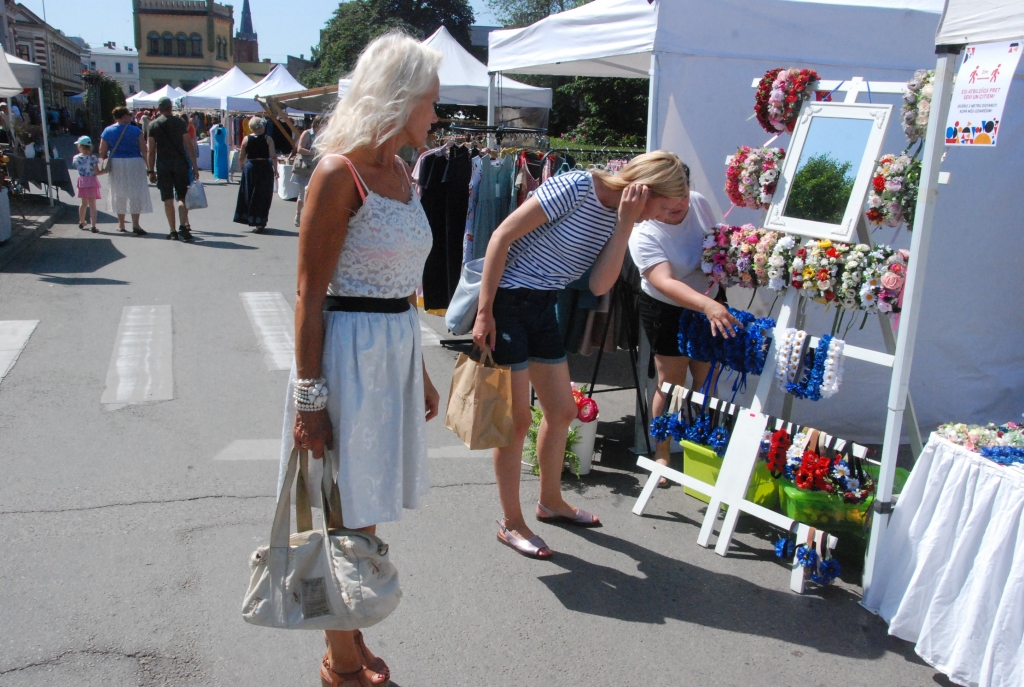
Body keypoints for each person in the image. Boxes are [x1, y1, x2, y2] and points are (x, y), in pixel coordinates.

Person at [285, 30, 441, 687]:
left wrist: (422, 370)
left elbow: (402, 285)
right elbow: (309, 294)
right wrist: (310, 399)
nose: (437, 113)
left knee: (364, 508)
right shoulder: (337, 172)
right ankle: (339, 659)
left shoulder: (403, 171)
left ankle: (349, 632)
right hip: (346, 358)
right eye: (433, 100)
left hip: (391, 354)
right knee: (338, 513)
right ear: (402, 98)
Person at [472, 151, 693, 559]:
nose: (660, 217)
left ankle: (550, 502)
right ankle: (511, 522)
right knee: (516, 421)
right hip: (507, 302)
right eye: (662, 207)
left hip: (541, 306)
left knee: (561, 412)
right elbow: (501, 236)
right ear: (645, 188)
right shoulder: (575, 187)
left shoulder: (622, 216)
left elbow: (598, 285)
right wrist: (485, 311)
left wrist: (625, 223)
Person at [628, 172, 739, 486]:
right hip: (666, 307)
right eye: (668, 198)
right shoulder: (642, 232)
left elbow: (716, 245)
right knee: (672, 383)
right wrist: (706, 305)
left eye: (683, 193)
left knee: (707, 378)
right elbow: (664, 281)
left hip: (710, 301)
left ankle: (704, 444)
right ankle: (661, 453)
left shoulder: (699, 203)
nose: (678, 203)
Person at [146, 97, 199, 241]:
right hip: (180, 164)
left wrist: (150, 170)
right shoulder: (180, 122)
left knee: (167, 198)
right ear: (171, 107)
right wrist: (195, 166)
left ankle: (173, 230)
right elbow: (188, 145)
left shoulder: (153, 125)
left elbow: (151, 150)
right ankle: (183, 225)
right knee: (182, 197)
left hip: (163, 165)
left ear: (159, 108)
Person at [99, 106, 152, 235]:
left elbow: (102, 151)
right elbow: (144, 150)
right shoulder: (135, 130)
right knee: (135, 193)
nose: (130, 116)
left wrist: (106, 160)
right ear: (123, 116)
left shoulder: (107, 130)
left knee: (119, 193)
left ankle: (121, 224)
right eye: (128, 114)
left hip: (117, 163)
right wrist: (149, 167)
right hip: (135, 162)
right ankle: (136, 225)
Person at [233, 116, 278, 232]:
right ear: (261, 126)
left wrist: (243, 165)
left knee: (250, 193)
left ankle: (250, 217)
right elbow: (273, 156)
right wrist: (276, 169)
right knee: (263, 194)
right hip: (264, 167)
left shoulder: (246, 139)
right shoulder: (268, 139)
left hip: (251, 167)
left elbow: (241, 156)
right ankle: (260, 221)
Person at [292, 115, 323, 227]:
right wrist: (313, 152)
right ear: (318, 124)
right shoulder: (307, 133)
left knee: (315, 194)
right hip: (306, 167)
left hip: (318, 168)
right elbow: (299, 149)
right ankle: (298, 214)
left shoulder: (324, 136)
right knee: (302, 196)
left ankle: (310, 218)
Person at [72, 136, 101, 233]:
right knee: (93, 205)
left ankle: (81, 221)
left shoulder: (76, 158)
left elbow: (76, 166)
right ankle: (93, 225)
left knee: (84, 203)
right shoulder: (93, 158)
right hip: (92, 181)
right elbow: (97, 171)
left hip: (82, 181)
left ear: (80, 146)